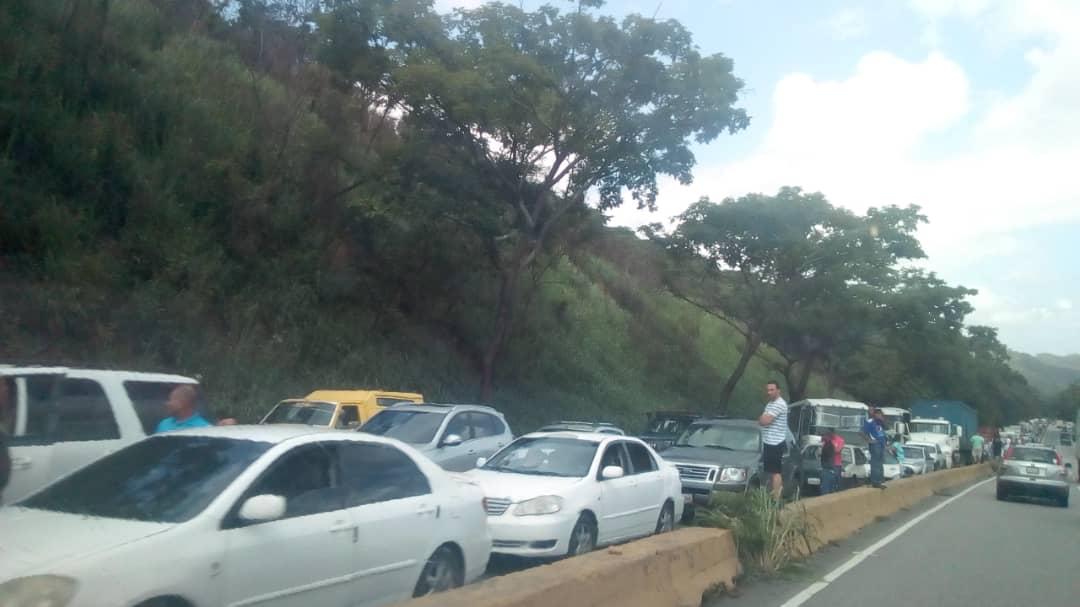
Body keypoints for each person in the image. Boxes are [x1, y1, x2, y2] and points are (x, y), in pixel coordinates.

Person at [757, 381, 788, 500]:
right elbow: (762, 419)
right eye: (768, 390)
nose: (769, 392)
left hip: (776, 442)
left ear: (778, 390)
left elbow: (765, 421)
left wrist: (762, 419)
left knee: (775, 471)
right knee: (770, 471)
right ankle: (770, 496)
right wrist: (762, 419)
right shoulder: (770, 404)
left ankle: (776, 498)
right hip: (768, 441)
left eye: (772, 389)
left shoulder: (779, 404)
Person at [863, 408, 888, 488]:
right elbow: (861, 432)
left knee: (880, 463)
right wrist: (869, 440)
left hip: (882, 444)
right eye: (879, 414)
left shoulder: (880, 423)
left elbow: (886, 428)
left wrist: (882, 420)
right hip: (875, 445)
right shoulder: (870, 422)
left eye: (881, 414)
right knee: (875, 463)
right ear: (875, 414)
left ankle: (880, 480)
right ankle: (875, 482)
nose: (881, 415)